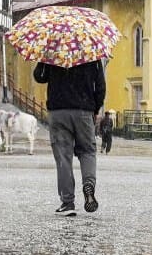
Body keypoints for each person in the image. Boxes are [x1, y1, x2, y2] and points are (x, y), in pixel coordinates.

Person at [33, 59, 105, 216]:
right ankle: (88, 184)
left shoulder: (53, 50)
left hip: (58, 111)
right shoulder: (91, 53)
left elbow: (39, 77)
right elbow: (100, 86)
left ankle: (67, 202)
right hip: (84, 110)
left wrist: (43, 59)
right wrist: (96, 107)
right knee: (87, 151)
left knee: (63, 156)